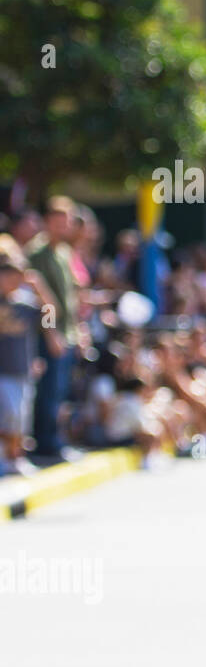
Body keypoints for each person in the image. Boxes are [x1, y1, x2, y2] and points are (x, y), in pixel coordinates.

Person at [24, 197, 85, 461]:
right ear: (47, 222)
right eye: (58, 221)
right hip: (49, 336)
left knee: (61, 393)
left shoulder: (64, 253)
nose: (63, 227)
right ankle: (46, 445)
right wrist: (51, 334)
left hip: (67, 334)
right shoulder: (37, 253)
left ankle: (56, 441)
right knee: (48, 393)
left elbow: (70, 297)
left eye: (67, 222)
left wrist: (78, 329)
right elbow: (41, 300)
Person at [0, 249, 61, 475]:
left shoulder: (25, 304)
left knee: (19, 418)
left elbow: (50, 315)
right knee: (9, 415)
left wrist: (39, 288)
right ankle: (8, 458)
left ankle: (15, 458)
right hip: (3, 370)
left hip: (21, 369)